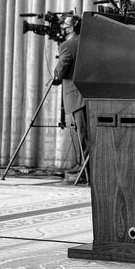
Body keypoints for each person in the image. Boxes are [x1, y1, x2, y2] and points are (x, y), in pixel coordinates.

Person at [53, 13, 88, 175]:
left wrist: (55, 73)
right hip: (90, 95)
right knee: (86, 133)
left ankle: (84, 170)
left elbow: (60, 71)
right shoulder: (87, 42)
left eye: (66, 25)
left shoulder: (67, 45)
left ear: (73, 27)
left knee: (82, 134)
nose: (63, 27)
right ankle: (83, 166)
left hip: (76, 96)